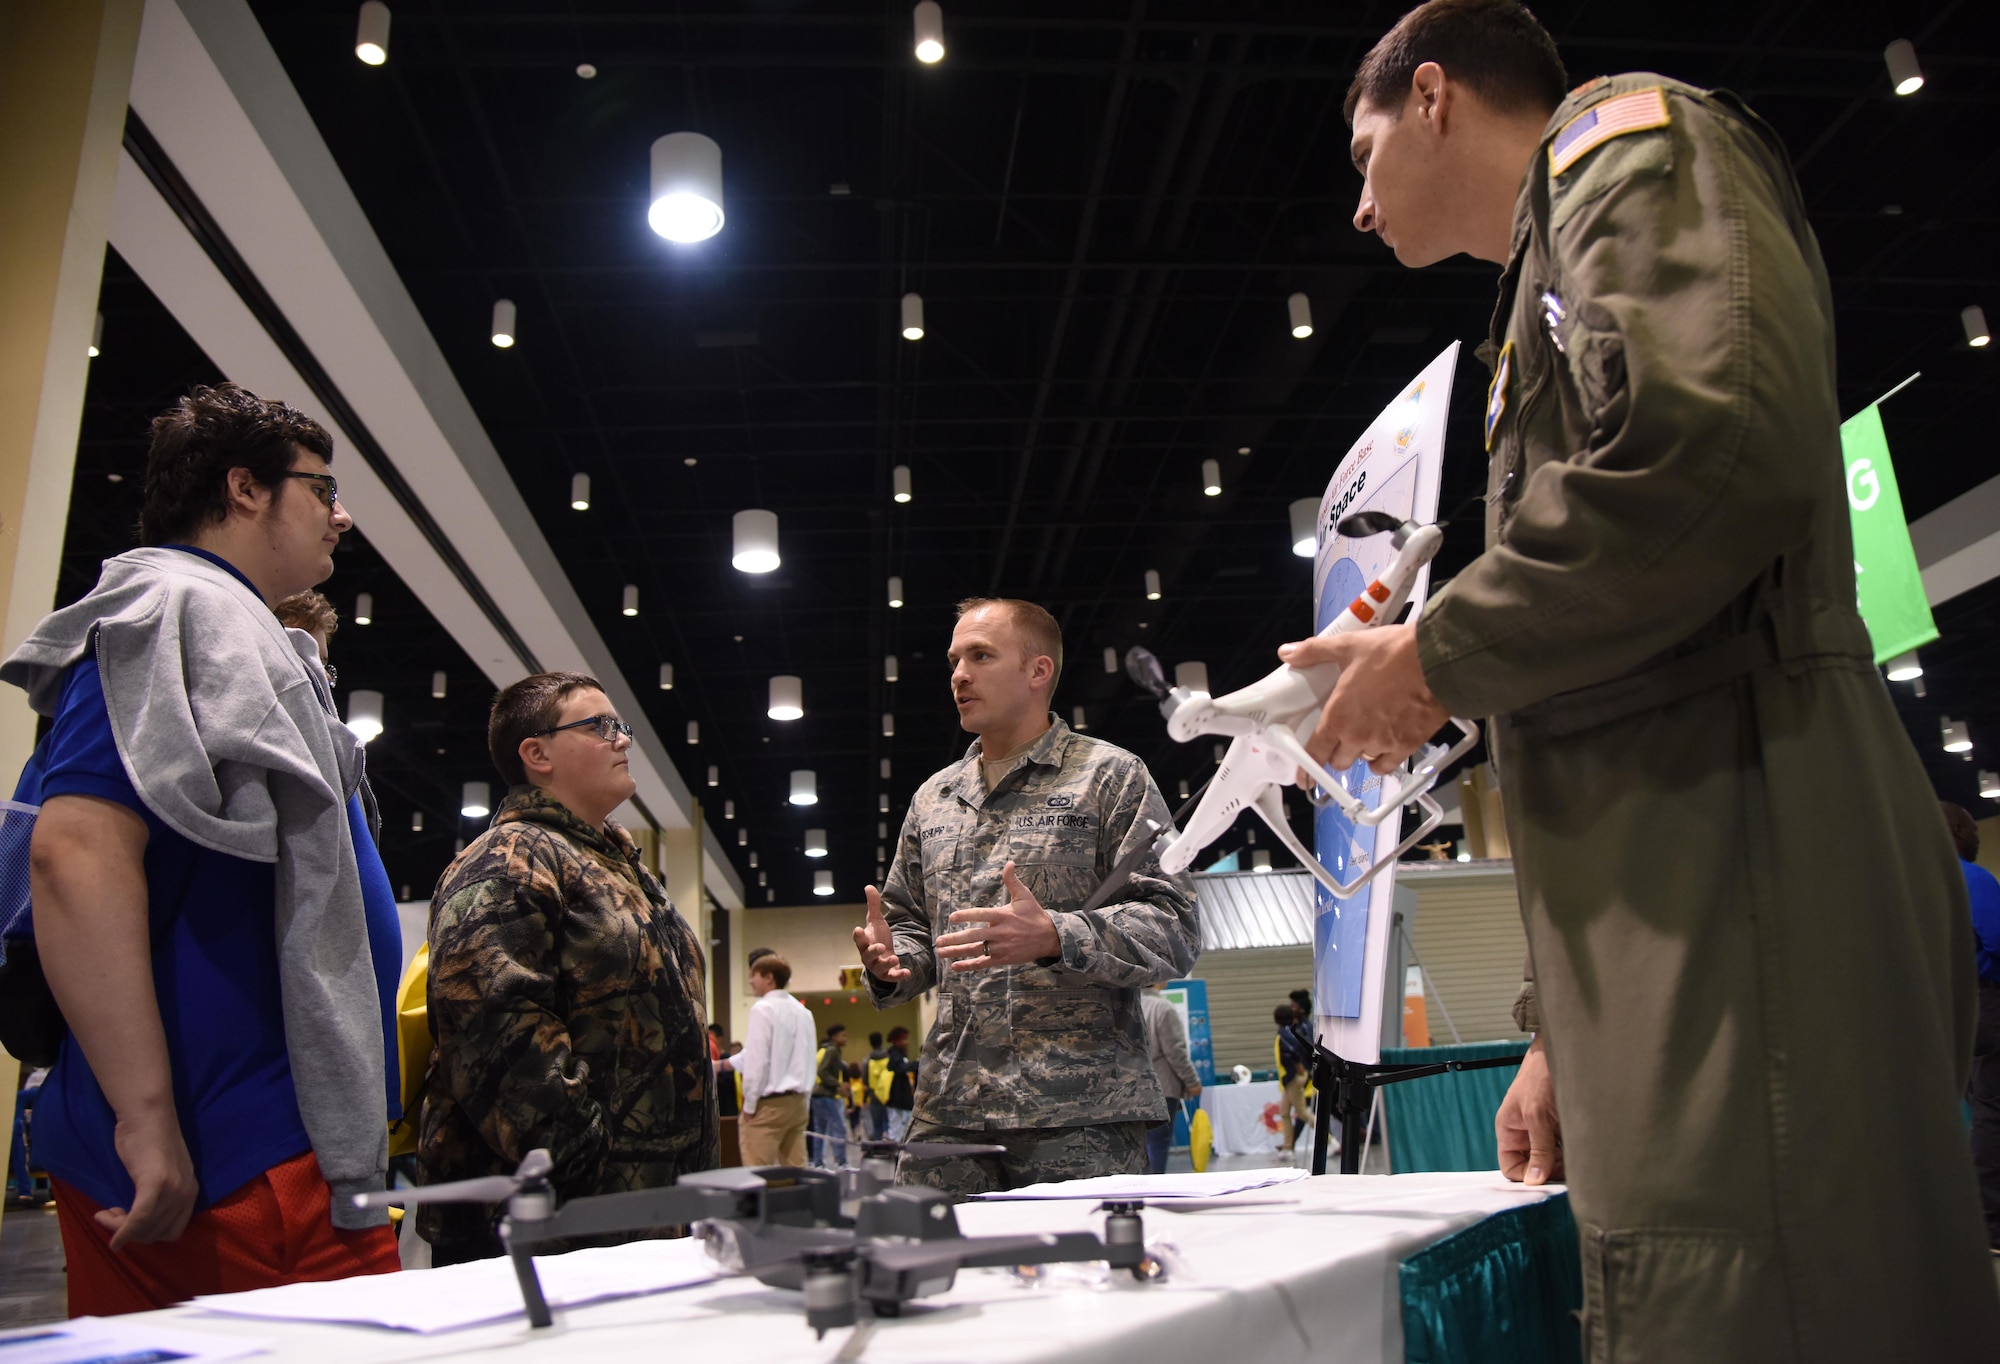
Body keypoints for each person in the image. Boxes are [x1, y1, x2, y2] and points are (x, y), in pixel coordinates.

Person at [1283, 2, 1997, 1355]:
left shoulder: (1633, 154)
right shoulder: (1550, 264)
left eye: (1362, 152)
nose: (1362, 211)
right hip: (1675, 902)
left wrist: (1434, 657)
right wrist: (1563, 1036)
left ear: (1433, 92)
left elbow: (1707, 453)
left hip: (1746, 870)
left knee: (1761, 1301)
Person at [5, 383, 401, 1312]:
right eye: (322, 486)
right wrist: (148, 1122)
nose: (341, 515)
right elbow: (75, 853)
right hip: (234, 1159)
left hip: (258, 1148)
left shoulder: (225, 629)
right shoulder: (173, 609)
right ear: (246, 488)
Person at [853, 598, 1200, 1193]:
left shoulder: (1109, 777)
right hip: (952, 1108)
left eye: (981, 655)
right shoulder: (933, 799)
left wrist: (1055, 936)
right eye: (954, 659)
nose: (959, 674)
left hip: (1079, 1112)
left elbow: (1176, 925)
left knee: (1082, 1281)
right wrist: (895, 965)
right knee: (929, 1277)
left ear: (1039, 671)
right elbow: (914, 927)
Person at [418, 672, 715, 1264]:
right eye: (600, 726)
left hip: (636, 1211)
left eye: (621, 726)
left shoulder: (616, 864)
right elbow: (495, 1032)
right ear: (537, 753)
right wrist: (582, 1156)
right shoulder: (508, 858)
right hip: (552, 1221)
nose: (622, 739)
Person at [1945, 802, 2000, 1251]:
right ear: (1959, 828)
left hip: (1944, 1005)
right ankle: (1991, 1223)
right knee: (1992, 1111)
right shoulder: (1970, 877)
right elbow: (1999, 939)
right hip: (1987, 1001)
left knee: (1968, 1110)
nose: (1979, 836)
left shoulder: (1912, 882)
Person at [736, 955, 815, 1167]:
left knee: (758, 1175)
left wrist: (749, 1105)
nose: (750, 981)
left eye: (754, 976)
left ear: (769, 978)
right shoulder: (804, 1012)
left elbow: (757, 1062)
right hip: (798, 1103)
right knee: (796, 1174)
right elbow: (809, 1060)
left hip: (769, 1106)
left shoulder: (763, 1009)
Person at [1139, 985, 1200, 1175]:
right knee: (1158, 1142)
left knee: (1137, 1146)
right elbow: (1175, 1051)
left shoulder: (1128, 1006)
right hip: (1162, 1086)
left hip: (1133, 1089)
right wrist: (1192, 1081)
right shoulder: (1163, 1008)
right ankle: (1154, 1194)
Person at [811, 1023, 850, 1168]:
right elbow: (823, 1071)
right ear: (834, 1037)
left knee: (820, 1130)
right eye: (843, 1035)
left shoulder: (826, 1049)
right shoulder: (833, 1050)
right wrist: (838, 1084)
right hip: (826, 1095)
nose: (846, 1038)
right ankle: (842, 1162)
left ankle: (818, 1163)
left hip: (818, 1096)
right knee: (839, 1128)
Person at [880, 1027, 918, 1143]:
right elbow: (902, 1069)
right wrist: (916, 1064)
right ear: (896, 1041)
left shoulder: (899, 1055)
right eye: (904, 1039)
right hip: (897, 1099)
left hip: (900, 1099)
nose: (907, 1042)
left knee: (900, 1126)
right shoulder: (895, 1057)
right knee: (896, 1127)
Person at [863, 1031, 889, 1139]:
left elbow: (865, 1081)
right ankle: (890, 1146)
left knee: (876, 1124)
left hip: (874, 1096)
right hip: (889, 1095)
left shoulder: (866, 1061)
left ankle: (878, 1147)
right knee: (889, 1123)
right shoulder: (889, 1058)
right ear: (882, 1041)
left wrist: (865, 1098)